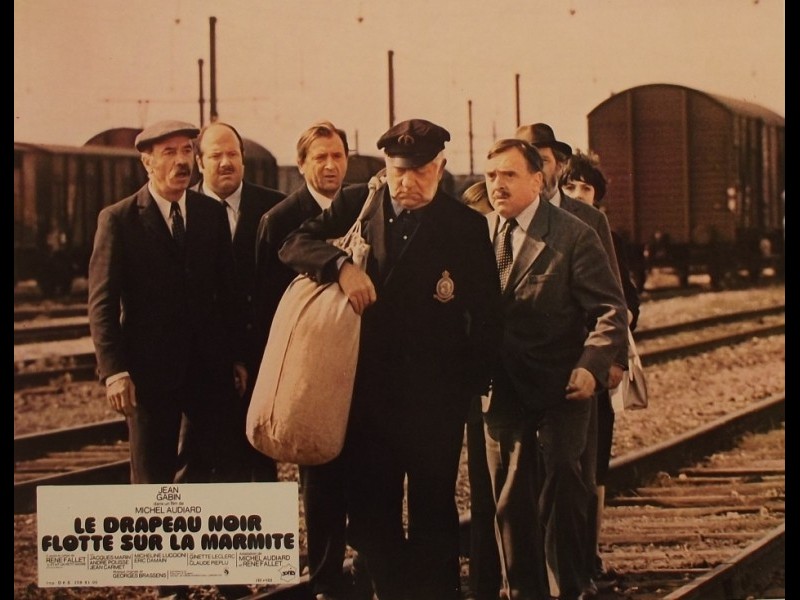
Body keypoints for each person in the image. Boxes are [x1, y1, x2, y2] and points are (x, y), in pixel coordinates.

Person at [279, 118, 504, 600]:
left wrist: (466, 388)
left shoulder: (465, 227)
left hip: (433, 403)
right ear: (386, 166)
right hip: (368, 400)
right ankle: (394, 588)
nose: (408, 182)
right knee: (372, 515)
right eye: (399, 171)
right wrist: (339, 268)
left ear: (441, 167)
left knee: (433, 514)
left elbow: (486, 316)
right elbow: (294, 243)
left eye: (421, 171)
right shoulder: (359, 203)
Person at [88, 120, 245, 600]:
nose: (181, 160)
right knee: (154, 476)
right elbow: (102, 303)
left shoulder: (208, 213)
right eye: (170, 152)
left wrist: (237, 356)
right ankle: (170, 584)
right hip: (150, 375)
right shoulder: (118, 219)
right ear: (147, 161)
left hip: (211, 370)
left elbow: (228, 293)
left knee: (224, 465)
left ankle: (232, 574)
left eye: (187, 150)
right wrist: (114, 369)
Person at [482, 138, 628, 600]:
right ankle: (522, 591)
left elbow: (610, 310)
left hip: (562, 386)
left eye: (509, 175)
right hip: (502, 389)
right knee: (509, 500)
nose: (498, 185)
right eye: (491, 177)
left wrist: (592, 366)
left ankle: (569, 587)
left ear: (537, 180)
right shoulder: (477, 234)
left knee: (564, 487)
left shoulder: (571, 234)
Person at [255, 120, 371, 600]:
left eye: (337, 156)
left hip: (361, 364)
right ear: (301, 164)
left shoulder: (367, 204)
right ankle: (326, 578)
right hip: (309, 367)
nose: (330, 165)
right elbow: (263, 299)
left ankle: (366, 570)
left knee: (366, 469)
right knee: (319, 476)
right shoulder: (280, 219)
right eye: (319, 157)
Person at [560, 150, 641, 589]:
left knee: (595, 466)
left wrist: (614, 360)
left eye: (585, 188)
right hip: (561, 366)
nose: (576, 194)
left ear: (598, 197)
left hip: (595, 365)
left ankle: (589, 552)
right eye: (569, 186)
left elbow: (625, 302)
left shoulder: (602, 232)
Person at [193, 121, 286, 483]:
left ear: (244, 161)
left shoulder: (274, 209)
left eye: (233, 154)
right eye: (215, 155)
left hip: (262, 358)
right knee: (202, 464)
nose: (225, 162)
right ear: (200, 163)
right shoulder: (183, 210)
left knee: (260, 462)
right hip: (202, 363)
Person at [459, 181, 502, 600]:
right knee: (484, 494)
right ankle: (485, 584)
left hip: (498, 383)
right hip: (476, 389)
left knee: (498, 492)